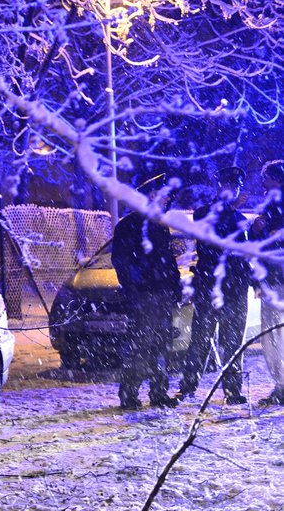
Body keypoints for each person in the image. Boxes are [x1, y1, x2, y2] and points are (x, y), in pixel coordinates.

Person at [177, 166, 250, 404]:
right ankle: (188, 386)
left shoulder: (238, 217)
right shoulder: (203, 213)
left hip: (235, 288)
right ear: (220, 187)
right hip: (211, 286)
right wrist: (230, 209)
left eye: (237, 186)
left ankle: (232, 390)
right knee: (200, 340)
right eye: (230, 185)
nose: (234, 190)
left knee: (232, 342)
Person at [111, 174, 182, 410]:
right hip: (146, 296)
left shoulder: (158, 226)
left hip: (160, 295)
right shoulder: (131, 226)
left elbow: (165, 261)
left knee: (160, 345)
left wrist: (173, 286)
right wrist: (139, 289)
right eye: (164, 195)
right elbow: (123, 262)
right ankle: (130, 393)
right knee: (142, 345)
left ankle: (158, 392)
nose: (168, 200)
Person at [250, 160, 284, 406]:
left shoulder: (274, 206)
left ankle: (281, 385)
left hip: (275, 280)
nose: (263, 183)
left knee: (274, 335)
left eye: (267, 178)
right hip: (274, 279)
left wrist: (261, 229)